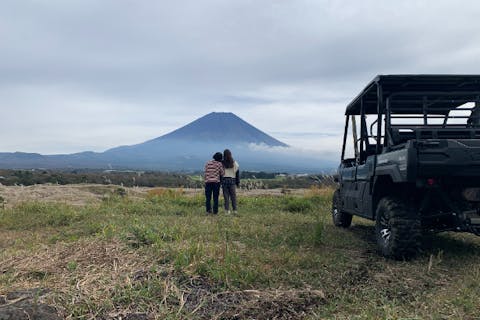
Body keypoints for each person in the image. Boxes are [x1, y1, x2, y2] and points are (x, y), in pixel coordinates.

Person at [221, 149, 240, 214]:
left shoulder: (222, 163)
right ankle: (235, 210)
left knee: (226, 197)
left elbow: (220, 173)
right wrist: (237, 182)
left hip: (224, 180)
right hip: (232, 181)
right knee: (233, 196)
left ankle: (227, 210)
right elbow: (237, 173)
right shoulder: (234, 162)